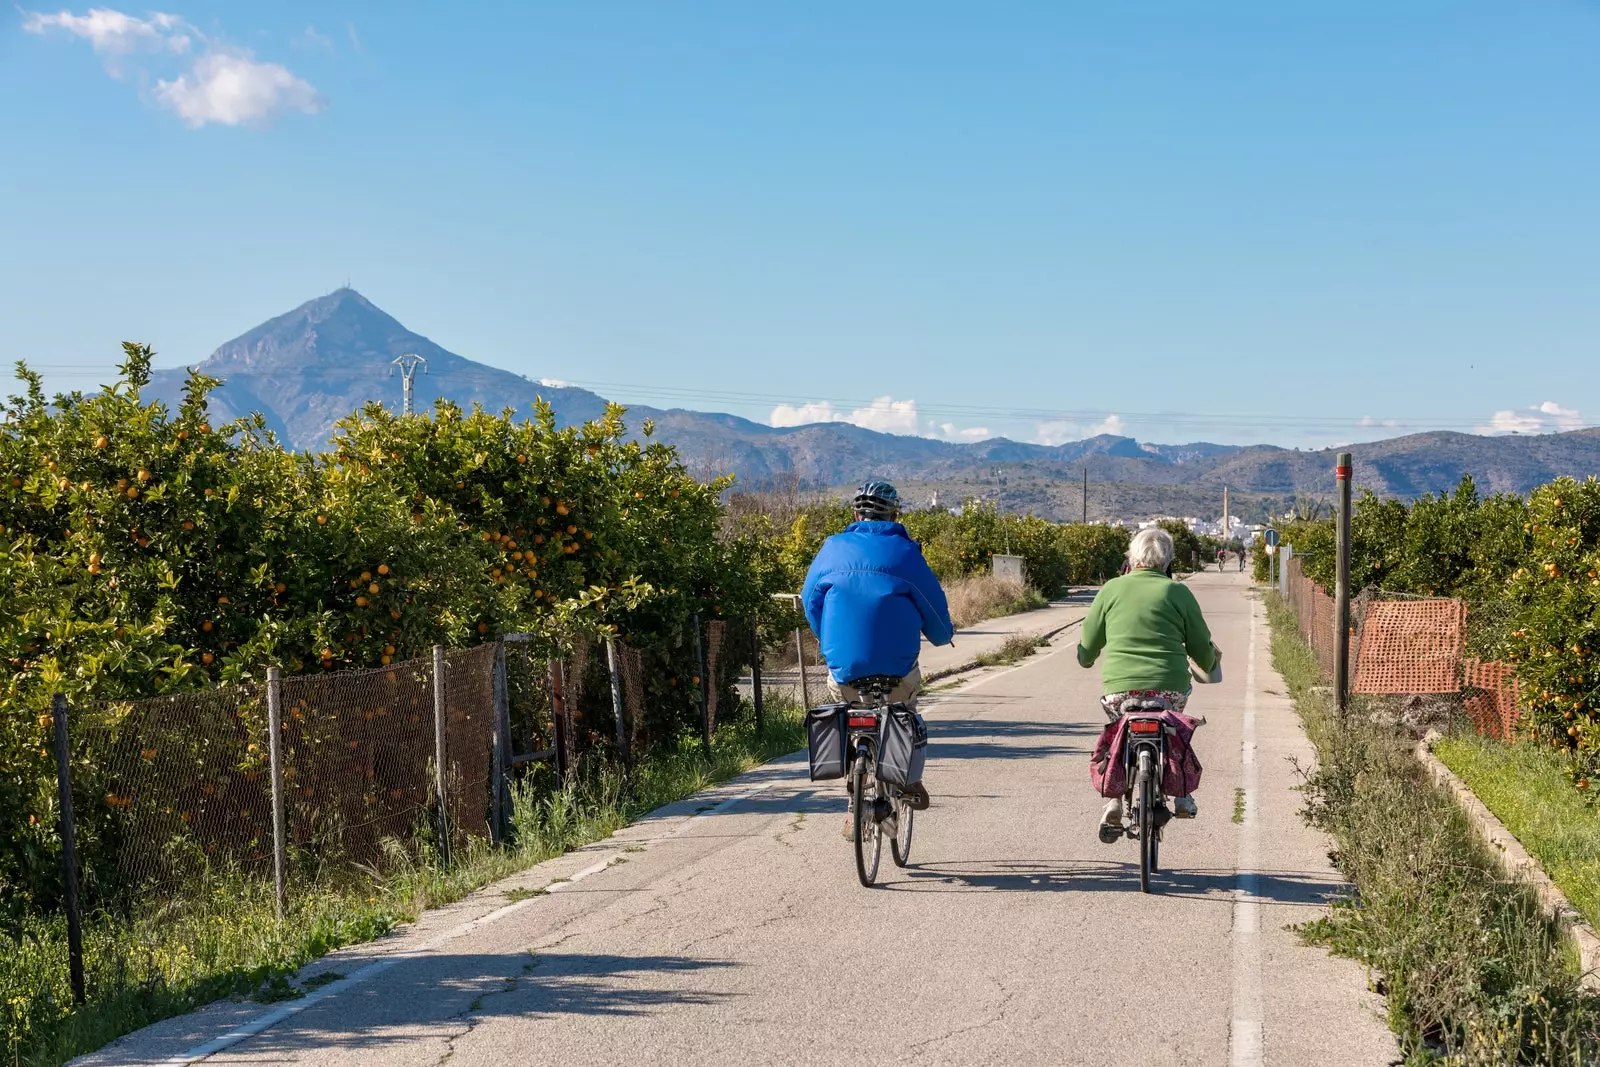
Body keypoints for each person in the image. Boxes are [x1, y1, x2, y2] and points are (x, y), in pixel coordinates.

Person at [802, 481, 954, 838]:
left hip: (844, 669)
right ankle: (908, 781)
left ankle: (854, 798)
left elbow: (811, 602)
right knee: (906, 713)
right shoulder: (905, 554)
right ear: (895, 515)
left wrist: (828, 640)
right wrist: (943, 636)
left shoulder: (831, 548)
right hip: (897, 669)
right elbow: (934, 611)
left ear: (855, 515)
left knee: (853, 711)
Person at [1076, 527, 1220, 837]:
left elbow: (1087, 647)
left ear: (1131, 559)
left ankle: (1114, 800)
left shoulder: (1111, 590)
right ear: (1168, 562)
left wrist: (1085, 659)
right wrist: (1210, 662)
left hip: (1119, 692)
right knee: (1171, 729)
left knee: (1119, 733)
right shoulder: (1178, 592)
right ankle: (1181, 793)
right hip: (1169, 691)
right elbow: (1200, 646)